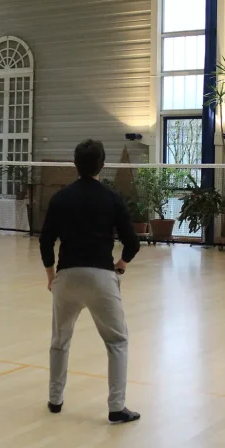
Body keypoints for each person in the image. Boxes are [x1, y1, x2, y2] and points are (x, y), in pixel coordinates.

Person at [39, 139, 141, 424]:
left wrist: (51, 276)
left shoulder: (61, 198)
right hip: (101, 279)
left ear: (75, 165)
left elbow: (46, 240)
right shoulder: (112, 198)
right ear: (103, 165)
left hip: (67, 277)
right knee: (117, 341)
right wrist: (121, 265)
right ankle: (116, 407)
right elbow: (132, 243)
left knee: (60, 340)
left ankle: (55, 400)